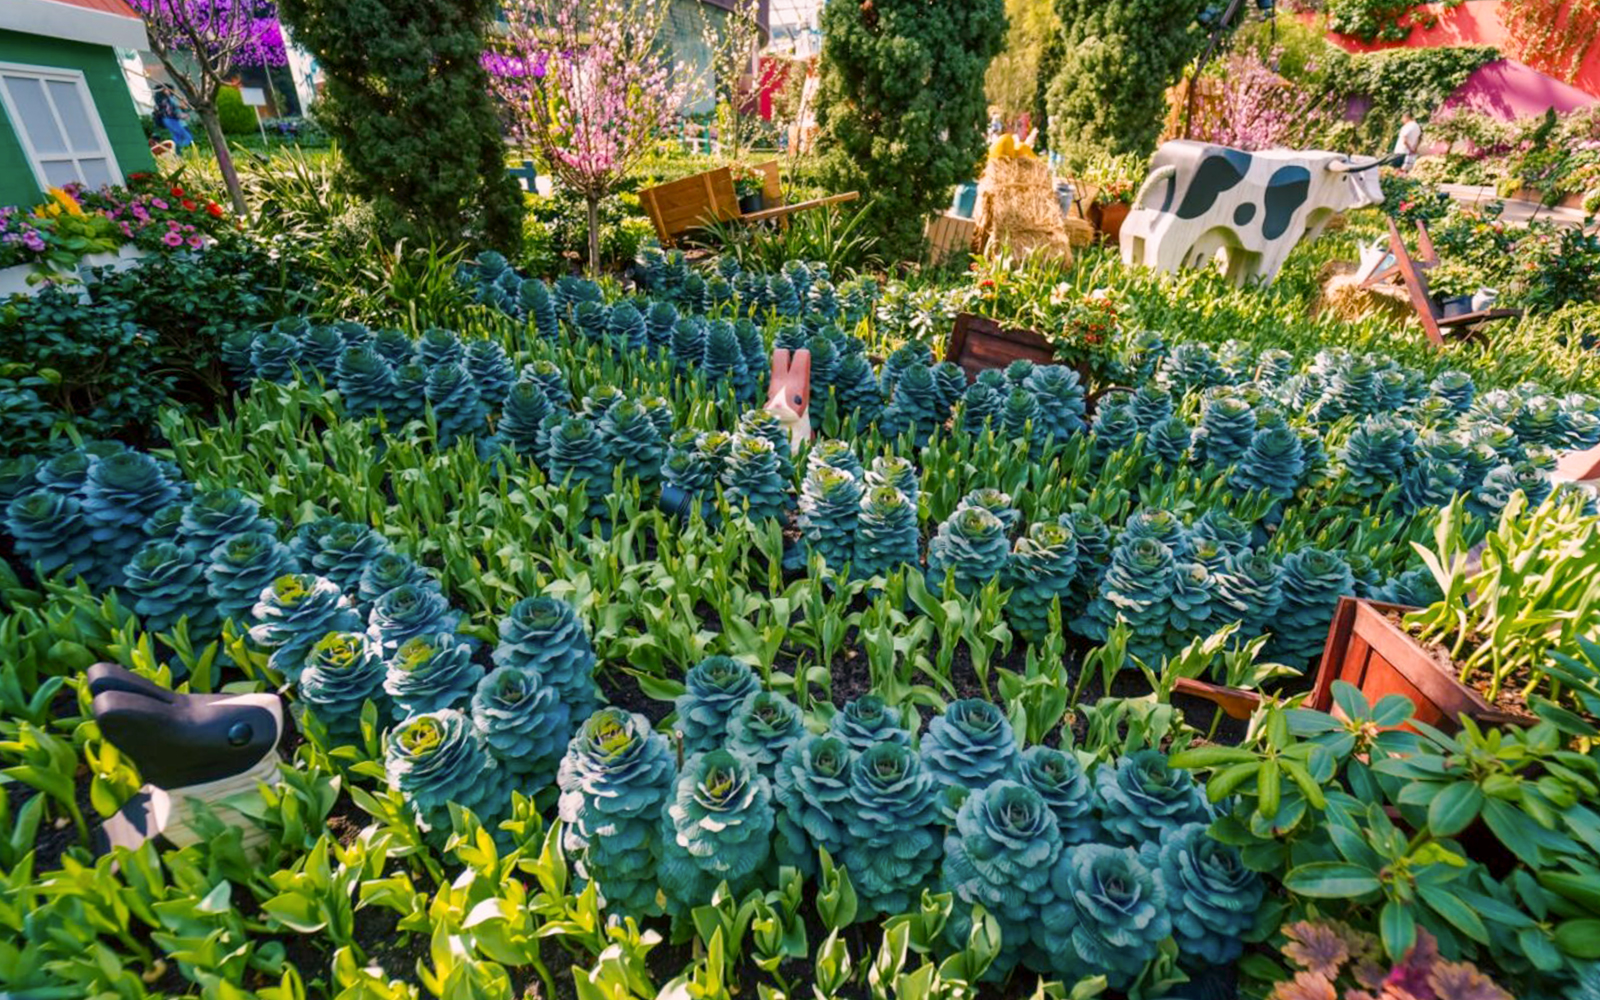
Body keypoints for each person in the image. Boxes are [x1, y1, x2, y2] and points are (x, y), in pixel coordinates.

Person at [154, 84, 194, 151]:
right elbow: (169, 111)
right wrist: (179, 115)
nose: (170, 91)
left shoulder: (165, 100)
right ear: (163, 91)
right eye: (167, 90)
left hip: (169, 120)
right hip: (170, 120)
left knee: (177, 137)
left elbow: (174, 109)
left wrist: (182, 107)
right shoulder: (165, 100)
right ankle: (177, 150)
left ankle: (178, 153)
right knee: (188, 137)